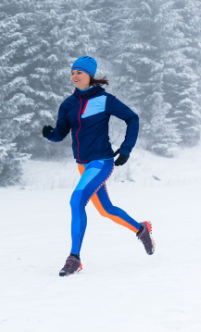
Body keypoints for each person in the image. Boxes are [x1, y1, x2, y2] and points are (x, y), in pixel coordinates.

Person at [43, 56, 154, 277]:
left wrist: (126, 149)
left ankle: (74, 258)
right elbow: (62, 132)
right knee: (105, 210)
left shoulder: (104, 99)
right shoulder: (68, 104)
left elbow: (132, 118)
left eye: (79, 72)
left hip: (101, 162)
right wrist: (51, 135)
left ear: (90, 75)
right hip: (83, 165)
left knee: (76, 201)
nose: (74, 76)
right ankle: (141, 229)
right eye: (72, 72)